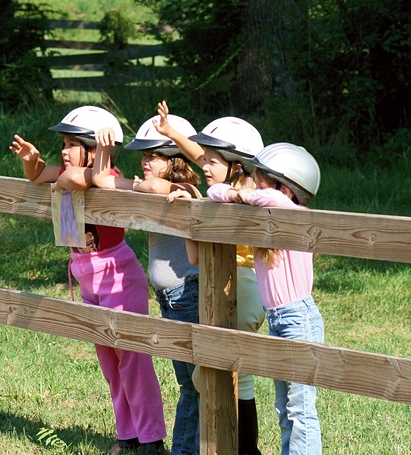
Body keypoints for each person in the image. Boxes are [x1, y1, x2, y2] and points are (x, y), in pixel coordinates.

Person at [9, 106, 167, 455]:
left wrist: (60, 183)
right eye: (62, 143)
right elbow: (38, 176)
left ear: (95, 149)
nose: (63, 151)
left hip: (118, 274)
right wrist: (30, 160)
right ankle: (127, 435)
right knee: (109, 363)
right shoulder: (71, 169)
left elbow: (78, 180)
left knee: (131, 358)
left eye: (72, 144)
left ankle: (151, 439)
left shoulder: (104, 173)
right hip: (86, 277)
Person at [92, 114, 202, 455]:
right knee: (189, 382)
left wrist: (140, 185)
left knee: (193, 384)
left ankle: (185, 450)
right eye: (143, 155)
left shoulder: (183, 190)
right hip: (170, 298)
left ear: (174, 162)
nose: (144, 161)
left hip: (189, 294)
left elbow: (155, 187)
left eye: (152, 156)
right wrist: (102, 149)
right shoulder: (152, 186)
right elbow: (100, 179)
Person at [205, 142, 324, 455]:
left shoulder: (296, 216)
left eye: (261, 182)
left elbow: (268, 198)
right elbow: (215, 192)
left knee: (300, 408)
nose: (253, 190)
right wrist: (236, 194)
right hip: (279, 319)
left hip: (298, 318)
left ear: (285, 189)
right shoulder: (270, 215)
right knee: (284, 407)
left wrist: (243, 195)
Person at [161, 103, 265, 455]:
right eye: (202, 159)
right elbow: (195, 256)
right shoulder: (226, 189)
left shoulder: (241, 196)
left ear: (236, 166)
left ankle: (239, 449)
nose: (202, 165)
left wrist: (195, 200)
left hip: (243, 286)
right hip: (223, 283)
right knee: (224, 376)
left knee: (222, 375)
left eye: (211, 162)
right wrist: (193, 200)